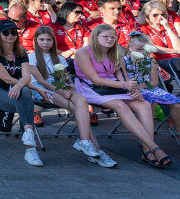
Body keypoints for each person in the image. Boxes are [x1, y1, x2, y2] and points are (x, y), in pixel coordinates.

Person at [73, 24, 173, 168]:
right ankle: (155, 148)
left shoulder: (115, 54)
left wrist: (132, 90)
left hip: (113, 87)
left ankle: (147, 151)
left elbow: (122, 78)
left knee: (144, 104)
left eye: (113, 37)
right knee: (120, 105)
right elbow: (95, 79)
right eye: (105, 36)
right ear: (95, 37)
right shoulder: (83, 52)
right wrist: (124, 85)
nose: (110, 39)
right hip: (90, 87)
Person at [25, 27, 116, 167]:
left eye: (48, 39)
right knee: (78, 109)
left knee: (82, 100)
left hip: (58, 87)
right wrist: (61, 91)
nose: (45, 42)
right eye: (42, 39)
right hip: (42, 89)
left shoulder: (60, 58)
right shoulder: (31, 57)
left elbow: (64, 80)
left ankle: (85, 142)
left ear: (53, 41)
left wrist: (68, 87)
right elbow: (41, 81)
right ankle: (96, 149)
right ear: (36, 40)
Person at [0, 19, 43, 165]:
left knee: (25, 93)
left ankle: (29, 138)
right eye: (6, 32)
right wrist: (34, 87)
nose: (10, 35)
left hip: (15, 90)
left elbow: (26, 77)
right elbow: (6, 78)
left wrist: (19, 85)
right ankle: (31, 149)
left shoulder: (21, 52)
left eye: (14, 32)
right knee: (26, 100)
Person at [122, 32, 180, 149]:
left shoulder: (151, 62)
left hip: (149, 88)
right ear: (130, 46)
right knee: (151, 101)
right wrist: (134, 86)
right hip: (131, 90)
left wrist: (142, 85)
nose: (142, 53)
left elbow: (154, 83)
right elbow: (122, 79)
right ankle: (146, 134)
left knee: (176, 103)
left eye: (145, 50)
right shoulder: (124, 61)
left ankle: (178, 130)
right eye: (138, 49)